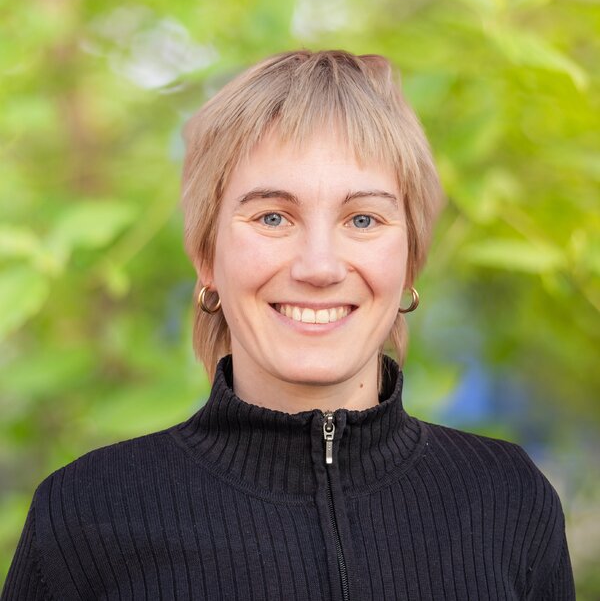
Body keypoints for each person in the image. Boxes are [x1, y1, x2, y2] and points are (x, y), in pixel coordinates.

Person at [2, 50, 575, 600]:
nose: (319, 267)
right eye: (273, 216)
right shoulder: (85, 518)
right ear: (206, 255)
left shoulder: (511, 501)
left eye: (363, 219)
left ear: (409, 261)